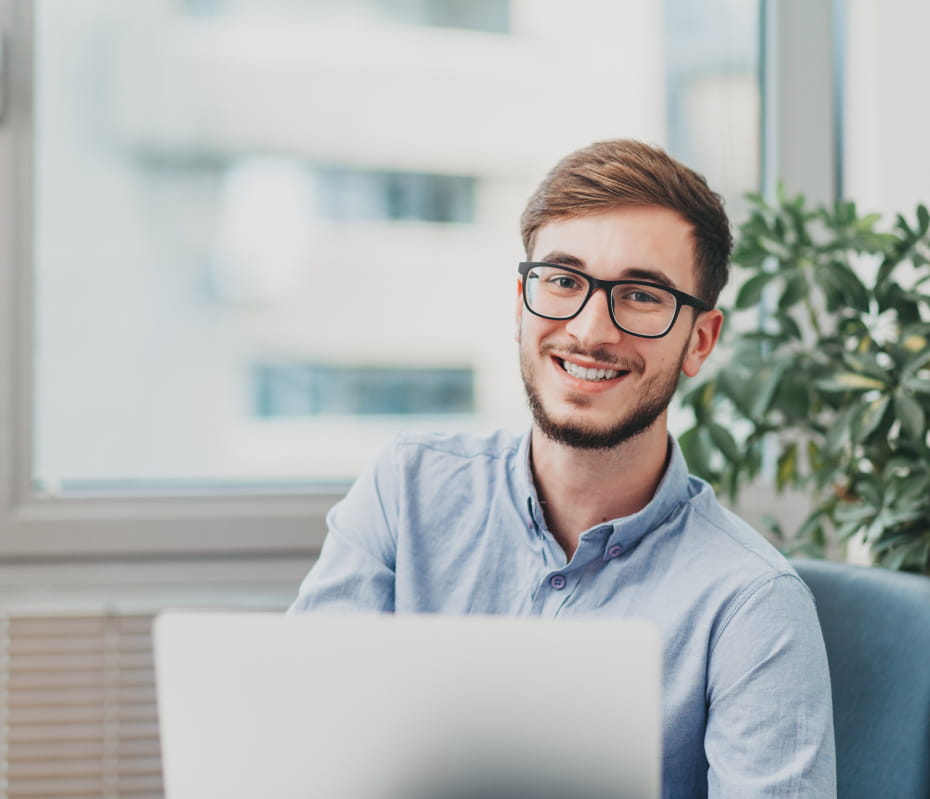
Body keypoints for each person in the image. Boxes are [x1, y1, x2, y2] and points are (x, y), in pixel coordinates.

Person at [289, 139, 837, 798]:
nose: (589, 329)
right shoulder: (404, 491)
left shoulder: (753, 604)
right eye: (562, 280)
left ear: (700, 340)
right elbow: (299, 752)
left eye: (639, 295)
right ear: (522, 305)